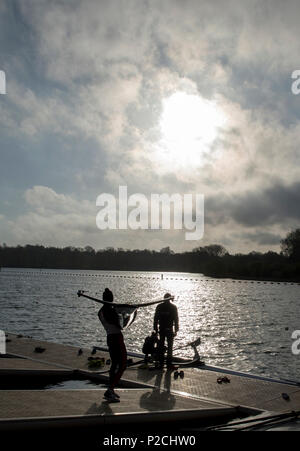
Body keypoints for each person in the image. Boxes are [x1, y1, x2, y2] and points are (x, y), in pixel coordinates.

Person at [98, 288, 127, 402]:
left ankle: (111, 389)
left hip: (109, 337)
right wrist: (126, 314)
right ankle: (110, 389)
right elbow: (121, 325)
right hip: (116, 338)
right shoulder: (110, 311)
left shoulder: (101, 312)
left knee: (115, 364)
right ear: (110, 298)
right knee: (122, 364)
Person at [153, 293, 179, 369]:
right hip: (168, 329)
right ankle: (168, 364)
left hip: (162, 329)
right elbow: (176, 319)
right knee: (169, 347)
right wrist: (176, 329)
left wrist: (155, 329)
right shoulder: (173, 307)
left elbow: (155, 319)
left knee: (161, 346)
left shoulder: (159, 306)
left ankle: (161, 363)